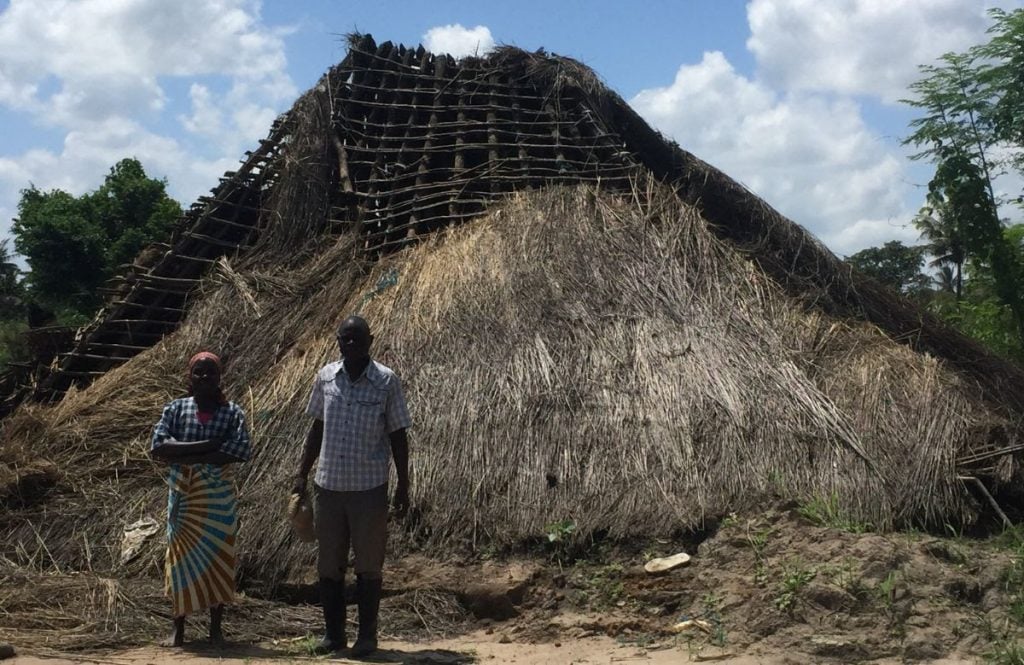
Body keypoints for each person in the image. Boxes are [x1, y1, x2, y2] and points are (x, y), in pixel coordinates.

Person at [294, 315, 411, 657]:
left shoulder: (386, 381)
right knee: (329, 564)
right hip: (328, 486)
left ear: (370, 340)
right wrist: (302, 472)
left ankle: (367, 638)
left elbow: (398, 436)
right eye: (345, 339)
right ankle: (334, 636)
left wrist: (403, 485)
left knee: (369, 564)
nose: (351, 344)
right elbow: (316, 429)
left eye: (358, 338)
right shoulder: (326, 377)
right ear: (338, 342)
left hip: (369, 489)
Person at [150, 351, 252, 647]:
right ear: (189, 378)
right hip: (184, 498)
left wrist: (185, 453)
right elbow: (158, 446)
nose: (205, 378)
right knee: (179, 562)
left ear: (220, 378)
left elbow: (240, 451)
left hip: (217, 499)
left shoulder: (233, 412)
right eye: (199, 373)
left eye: (211, 373)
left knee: (218, 559)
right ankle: (178, 630)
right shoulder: (175, 409)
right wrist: (208, 446)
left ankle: (215, 630)